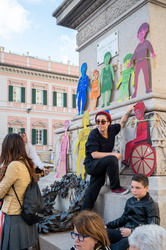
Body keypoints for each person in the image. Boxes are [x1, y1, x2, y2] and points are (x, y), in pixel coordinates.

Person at [82, 105, 134, 210]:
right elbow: (94, 154)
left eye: (103, 121)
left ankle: (83, 214)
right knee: (112, 159)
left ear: (108, 122)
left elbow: (122, 124)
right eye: (98, 122)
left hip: (101, 164)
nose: (100, 124)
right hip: (92, 165)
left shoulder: (112, 130)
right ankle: (115, 187)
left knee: (93, 189)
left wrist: (127, 111)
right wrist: (113, 154)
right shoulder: (94, 134)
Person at [0, 133, 38, 250]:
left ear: (8, 147)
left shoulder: (14, 165)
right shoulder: (25, 162)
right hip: (24, 213)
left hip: (14, 215)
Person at [106, 174, 160, 250]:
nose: (134, 190)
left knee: (126, 242)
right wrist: (107, 226)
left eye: (138, 188)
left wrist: (132, 231)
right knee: (102, 232)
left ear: (146, 188)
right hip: (125, 233)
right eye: (132, 187)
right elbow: (123, 219)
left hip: (139, 239)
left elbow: (153, 228)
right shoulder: (130, 201)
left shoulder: (151, 205)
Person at [129, 22, 156, 98]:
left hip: (144, 61)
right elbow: (134, 54)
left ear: (145, 33)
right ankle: (135, 91)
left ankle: (147, 88)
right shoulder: (138, 46)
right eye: (140, 34)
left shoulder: (146, 42)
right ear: (138, 36)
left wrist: (153, 53)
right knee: (136, 77)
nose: (141, 35)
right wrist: (130, 62)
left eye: (143, 33)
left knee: (145, 74)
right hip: (138, 63)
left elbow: (150, 46)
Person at [122, 101, 150, 167]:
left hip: (143, 141)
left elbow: (144, 136)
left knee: (129, 144)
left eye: (139, 112)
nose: (137, 115)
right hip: (139, 141)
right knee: (128, 144)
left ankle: (126, 160)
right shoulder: (139, 122)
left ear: (142, 112)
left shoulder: (143, 122)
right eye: (136, 113)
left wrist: (134, 141)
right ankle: (126, 160)